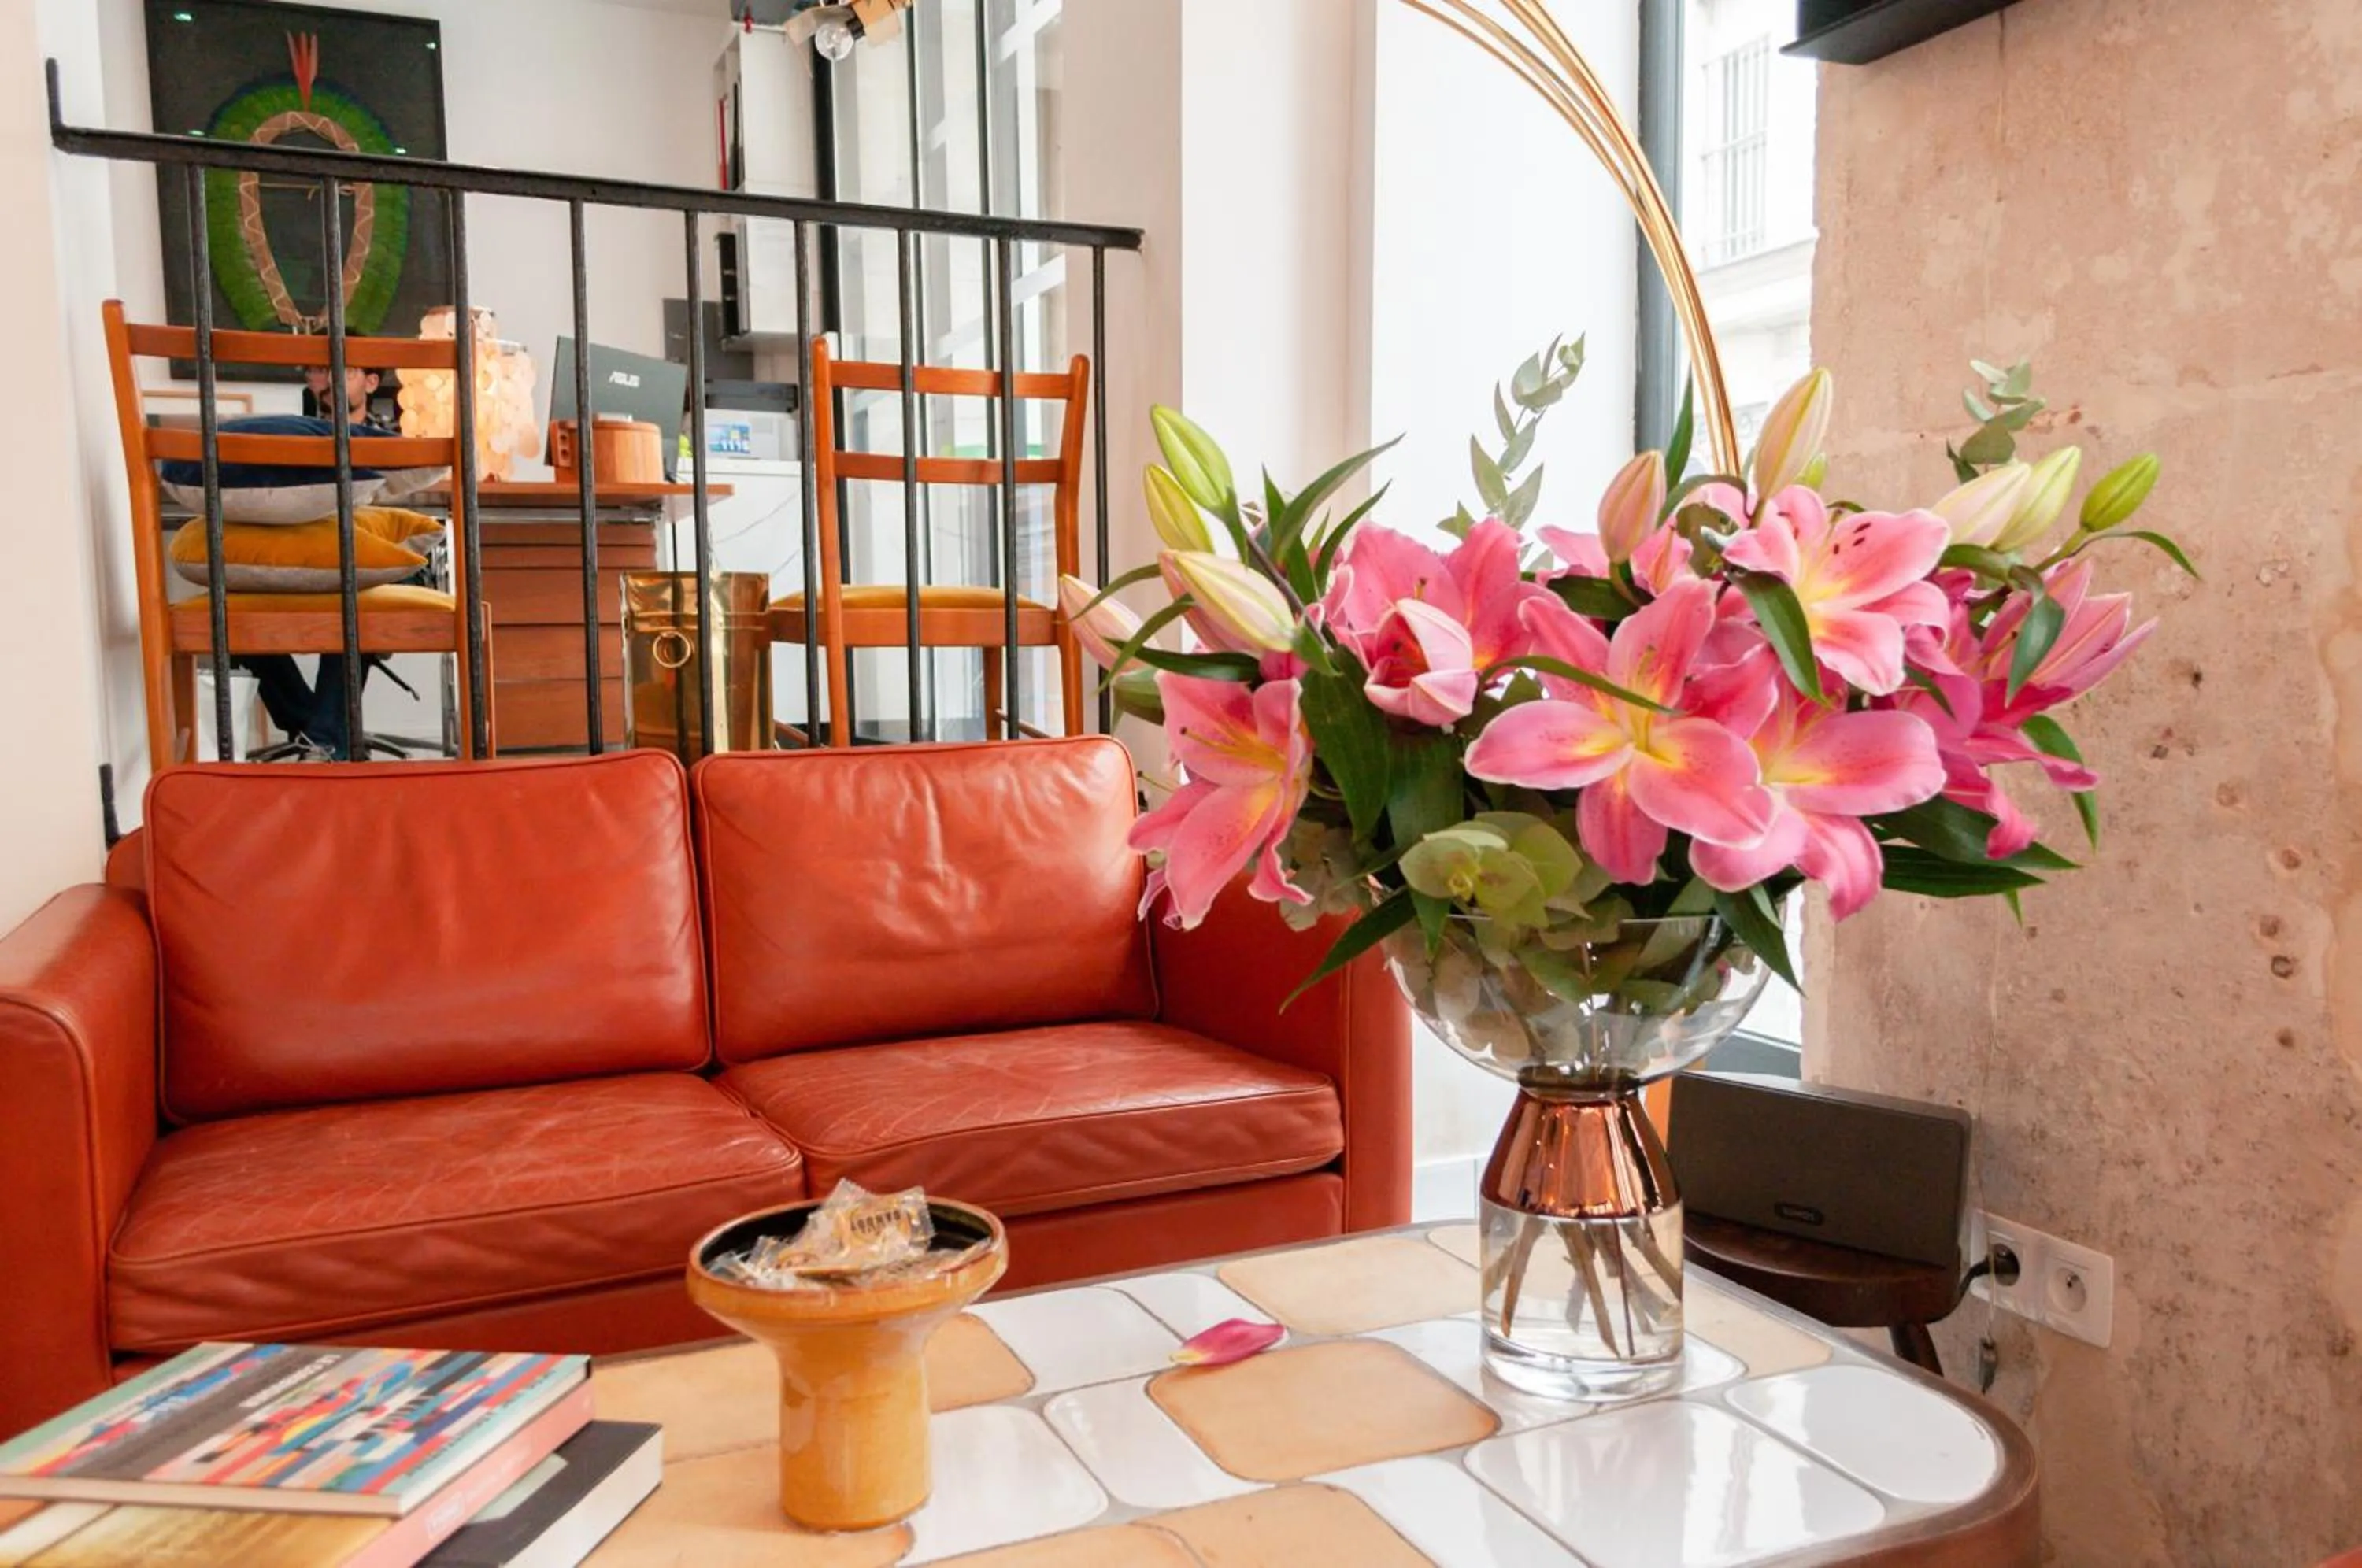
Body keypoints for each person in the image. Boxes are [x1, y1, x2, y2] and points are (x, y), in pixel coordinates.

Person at [239, 364, 420, 760]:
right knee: (233, 605)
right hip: (299, 558)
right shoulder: (284, 440)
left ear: (372, 383)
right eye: (320, 370)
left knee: (356, 599)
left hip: (372, 563)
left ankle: (321, 739)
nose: (331, 378)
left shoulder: (399, 444)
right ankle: (321, 736)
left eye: (346, 369)